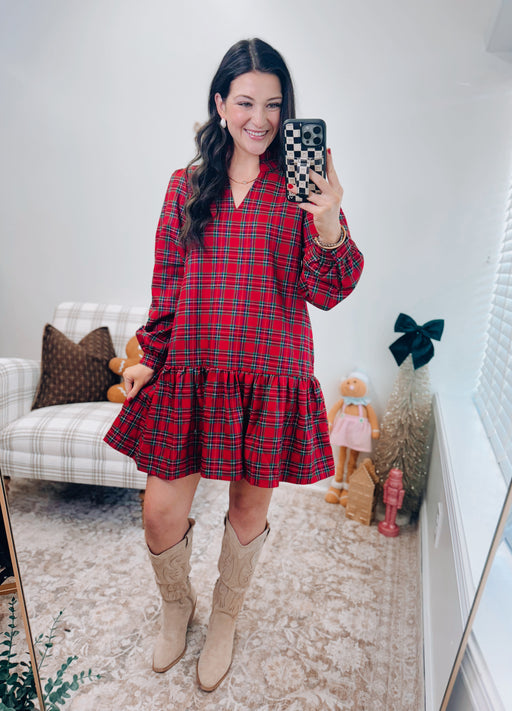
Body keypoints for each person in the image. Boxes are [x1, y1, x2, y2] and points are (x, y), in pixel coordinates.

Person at [104, 37, 364, 692]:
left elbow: (329, 289)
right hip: (192, 369)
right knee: (160, 513)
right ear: (220, 104)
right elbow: (168, 284)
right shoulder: (185, 186)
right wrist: (149, 358)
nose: (260, 118)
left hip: (271, 374)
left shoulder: (303, 188)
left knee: (248, 513)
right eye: (245, 102)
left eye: (273, 104)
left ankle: (224, 617)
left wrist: (328, 220)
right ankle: (177, 605)